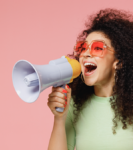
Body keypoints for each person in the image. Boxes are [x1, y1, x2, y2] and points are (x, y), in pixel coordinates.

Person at [47, 8, 133, 150]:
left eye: (98, 48)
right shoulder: (74, 104)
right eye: (83, 48)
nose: (86, 54)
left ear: (118, 61)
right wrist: (59, 119)